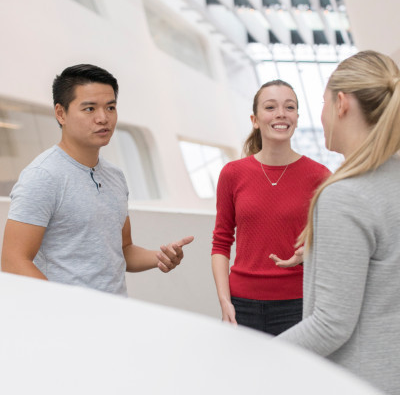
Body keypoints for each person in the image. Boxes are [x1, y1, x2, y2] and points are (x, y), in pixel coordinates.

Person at [1, 64, 193, 296]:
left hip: (114, 312)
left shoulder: (115, 176)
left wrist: (159, 257)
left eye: (110, 107)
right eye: (90, 109)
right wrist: (65, 308)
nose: (103, 118)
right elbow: (13, 261)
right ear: (61, 113)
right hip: (68, 320)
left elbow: (123, 249)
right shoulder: (43, 176)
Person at [277, 50, 400, 395]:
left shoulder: (346, 196)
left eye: (323, 102)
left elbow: (330, 325)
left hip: (358, 380)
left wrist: (262, 357)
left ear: (342, 103)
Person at [211, 80, 330, 335]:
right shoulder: (233, 173)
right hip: (241, 304)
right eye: (270, 107)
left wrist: (307, 252)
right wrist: (224, 301)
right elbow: (221, 243)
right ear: (255, 119)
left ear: (297, 117)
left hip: (298, 305)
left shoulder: (319, 176)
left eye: (289, 107)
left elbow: (329, 243)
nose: (281, 114)